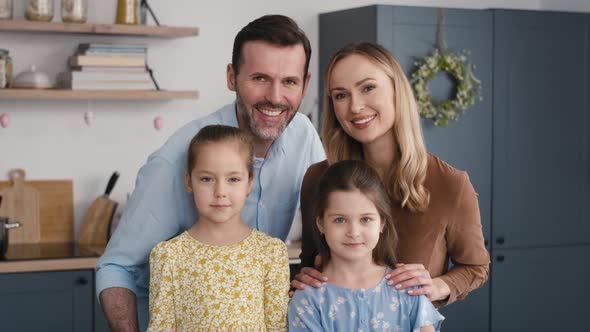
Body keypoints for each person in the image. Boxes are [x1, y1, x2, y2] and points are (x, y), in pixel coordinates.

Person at [96, 15, 325, 331]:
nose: (275, 97)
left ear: (305, 83)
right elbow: (116, 266)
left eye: (289, 81)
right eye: (259, 78)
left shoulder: (304, 136)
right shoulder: (176, 160)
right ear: (232, 77)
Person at [293, 42, 489, 307]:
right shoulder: (318, 179)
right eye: (341, 95)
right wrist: (307, 277)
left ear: (397, 90)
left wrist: (437, 286)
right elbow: (311, 262)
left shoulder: (450, 184)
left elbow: (475, 267)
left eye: (368, 88)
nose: (355, 106)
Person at [148, 125, 289, 331]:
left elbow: (277, 327)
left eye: (233, 179)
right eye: (207, 179)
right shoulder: (168, 256)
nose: (220, 191)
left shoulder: (270, 253)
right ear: (189, 182)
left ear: (249, 182)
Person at [288, 160, 444, 331]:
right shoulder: (307, 301)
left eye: (365, 219)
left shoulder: (409, 290)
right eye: (339, 220)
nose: (354, 232)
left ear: (382, 223)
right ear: (321, 224)